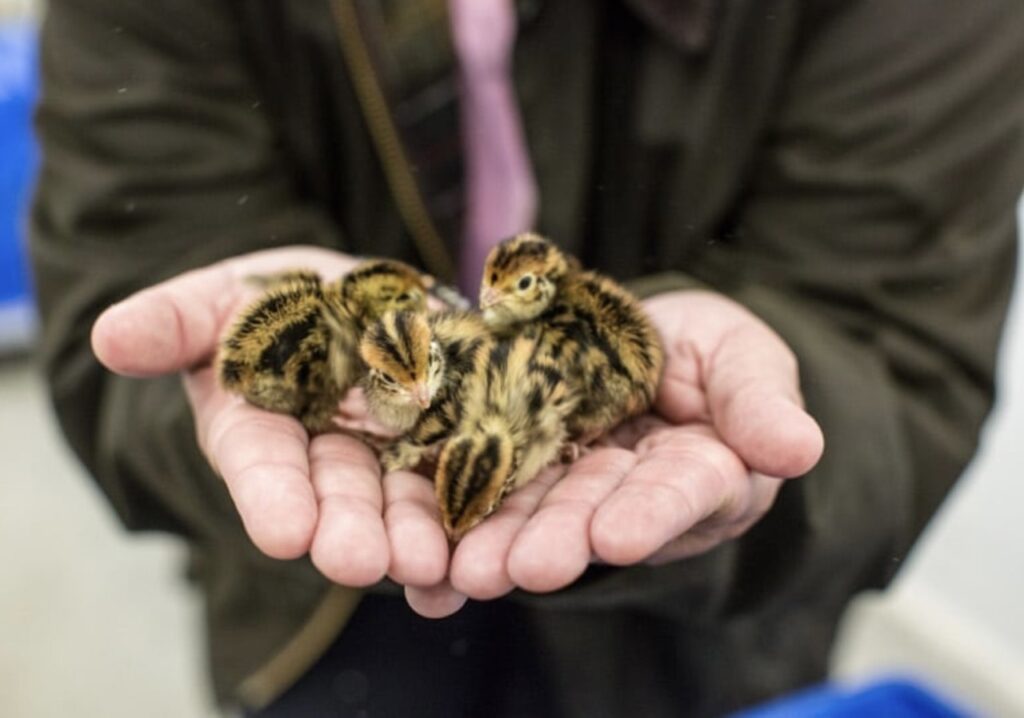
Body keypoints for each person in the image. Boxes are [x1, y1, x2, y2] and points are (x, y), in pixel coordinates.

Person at [29, 0, 1024, 716]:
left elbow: (894, 353)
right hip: (309, 620)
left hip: (702, 643)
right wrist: (220, 415)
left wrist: (770, 431)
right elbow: (129, 273)